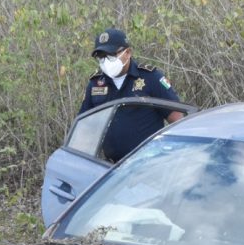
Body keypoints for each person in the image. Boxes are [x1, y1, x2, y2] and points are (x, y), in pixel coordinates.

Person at [79, 28, 184, 162]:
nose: (105, 62)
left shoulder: (151, 78)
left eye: (110, 56)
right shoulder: (95, 84)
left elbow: (178, 119)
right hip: (111, 167)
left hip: (149, 163)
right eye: (101, 57)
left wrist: (174, 156)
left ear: (127, 53)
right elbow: (84, 128)